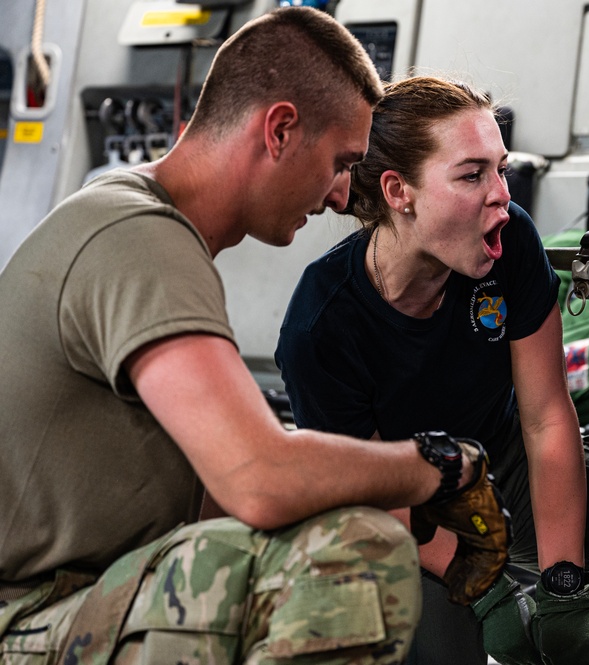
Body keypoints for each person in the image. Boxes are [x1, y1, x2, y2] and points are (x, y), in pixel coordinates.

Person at [0, 9, 509, 664]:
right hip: (29, 615)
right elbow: (259, 478)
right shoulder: (136, 237)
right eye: (340, 162)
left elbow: (225, 486)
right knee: (352, 553)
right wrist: (439, 468)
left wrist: (398, 493)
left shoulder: (145, 229)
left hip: (76, 595)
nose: (338, 196)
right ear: (279, 130)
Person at [275, 76, 589, 665]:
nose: (501, 194)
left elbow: (548, 418)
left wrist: (565, 587)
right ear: (400, 191)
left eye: (500, 168)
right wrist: (489, 587)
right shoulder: (322, 326)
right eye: (472, 175)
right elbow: (372, 494)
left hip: (504, 462)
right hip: (398, 502)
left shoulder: (510, 239)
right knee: (450, 644)